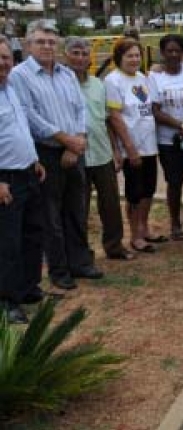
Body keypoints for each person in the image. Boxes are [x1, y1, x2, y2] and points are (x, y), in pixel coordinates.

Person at [9, 20, 101, 291]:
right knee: (50, 216)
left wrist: (79, 140)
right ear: (27, 45)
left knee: (76, 209)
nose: (47, 46)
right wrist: (66, 140)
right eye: (41, 41)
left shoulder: (66, 73)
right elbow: (29, 115)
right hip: (46, 152)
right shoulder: (19, 75)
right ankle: (59, 271)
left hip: (74, 149)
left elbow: (80, 109)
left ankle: (80, 262)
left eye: (51, 41)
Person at [64, 37, 132, 261]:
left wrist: (115, 150)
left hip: (102, 154)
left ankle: (114, 246)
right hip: (76, 156)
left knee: (111, 205)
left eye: (85, 54)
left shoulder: (97, 85)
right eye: (75, 52)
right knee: (78, 208)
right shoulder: (61, 85)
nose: (81, 58)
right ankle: (80, 253)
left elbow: (107, 120)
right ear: (66, 55)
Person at [0, 35, 46, 324]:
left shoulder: (10, 89)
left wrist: (35, 159)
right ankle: (6, 300)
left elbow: (20, 127)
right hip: (5, 178)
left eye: (6, 57)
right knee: (7, 242)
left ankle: (28, 288)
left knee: (32, 233)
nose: (3, 63)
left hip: (28, 171)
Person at [105, 38, 165, 255]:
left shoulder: (143, 78)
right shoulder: (113, 81)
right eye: (129, 55)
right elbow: (114, 117)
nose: (134, 59)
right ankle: (135, 235)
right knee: (135, 193)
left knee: (148, 189)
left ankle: (144, 227)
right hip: (132, 146)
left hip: (149, 144)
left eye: (137, 55)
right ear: (119, 57)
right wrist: (129, 148)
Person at [150, 34, 183, 240]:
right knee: (174, 181)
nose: (173, 54)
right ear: (162, 52)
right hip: (168, 140)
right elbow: (155, 110)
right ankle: (175, 223)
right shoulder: (155, 77)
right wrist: (181, 125)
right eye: (169, 51)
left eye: (177, 51)